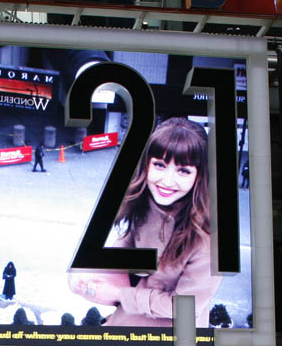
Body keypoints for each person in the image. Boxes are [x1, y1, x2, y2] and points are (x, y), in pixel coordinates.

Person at [69, 118, 222, 328]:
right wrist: (97, 271)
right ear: (146, 164)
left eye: (183, 171)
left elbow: (185, 307)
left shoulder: (208, 237)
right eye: (160, 165)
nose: (167, 181)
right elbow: (130, 240)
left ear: (200, 176)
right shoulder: (145, 200)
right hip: (133, 313)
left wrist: (119, 294)